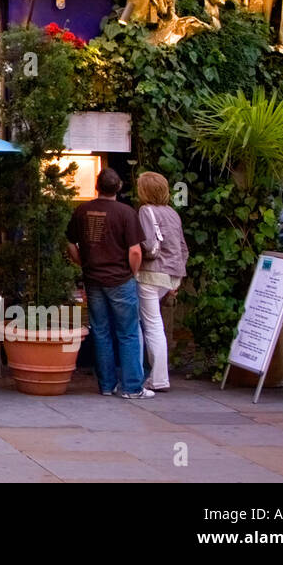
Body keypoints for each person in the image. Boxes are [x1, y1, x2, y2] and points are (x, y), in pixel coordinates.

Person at [67, 168, 152, 399]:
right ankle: (132, 387)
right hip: (120, 279)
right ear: (119, 187)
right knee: (128, 333)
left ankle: (106, 385)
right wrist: (132, 273)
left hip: (93, 278)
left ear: (97, 186)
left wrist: (82, 264)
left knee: (101, 331)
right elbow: (135, 251)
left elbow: (71, 244)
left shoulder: (82, 210)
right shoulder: (126, 213)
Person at [135, 171, 188, 392]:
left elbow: (148, 245)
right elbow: (183, 247)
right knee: (153, 323)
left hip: (151, 273)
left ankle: (156, 378)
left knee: (149, 325)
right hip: (171, 274)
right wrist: (177, 279)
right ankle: (151, 375)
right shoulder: (173, 213)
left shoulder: (146, 211)